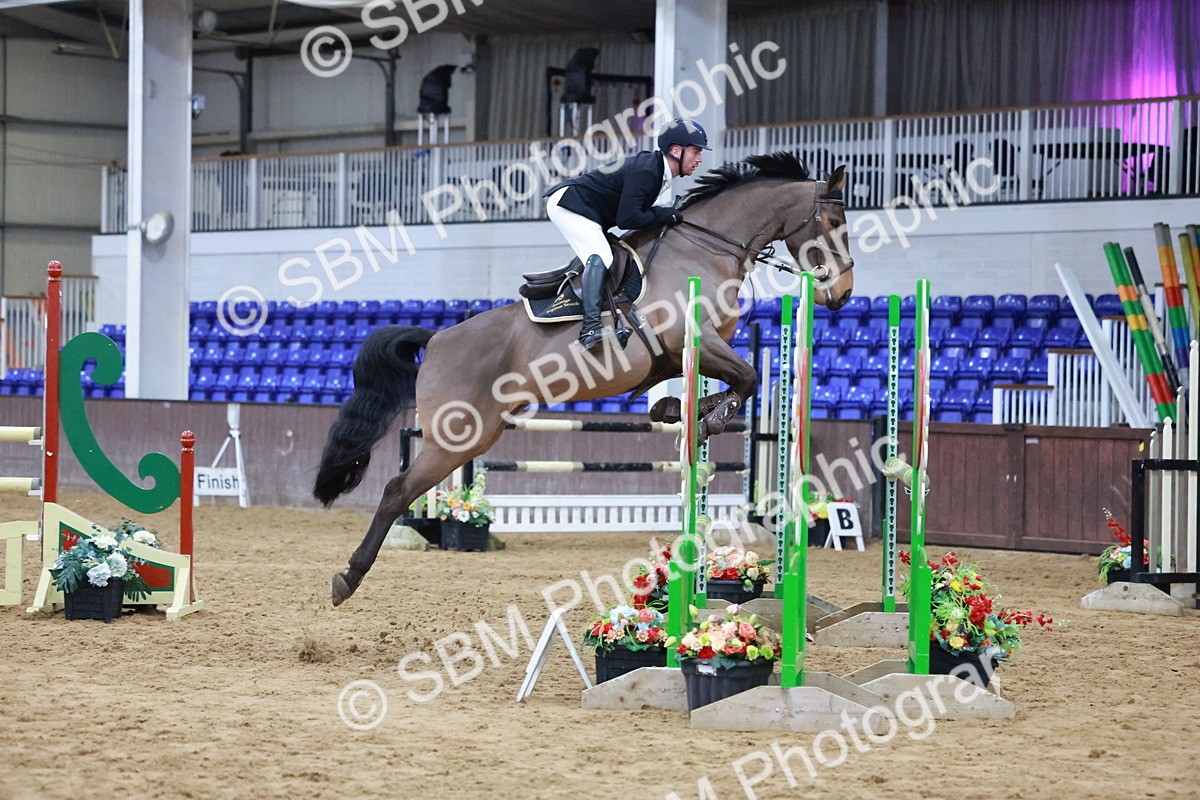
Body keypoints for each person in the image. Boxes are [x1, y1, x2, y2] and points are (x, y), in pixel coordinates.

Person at [544, 117, 709, 350]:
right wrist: (662, 214)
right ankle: (590, 330)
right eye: (696, 151)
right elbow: (627, 220)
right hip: (570, 205)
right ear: (675, 150)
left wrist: (661, 213)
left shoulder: (658, 172)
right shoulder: (648, 171)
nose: (700, 159)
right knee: (602, 257)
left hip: (589, 211)